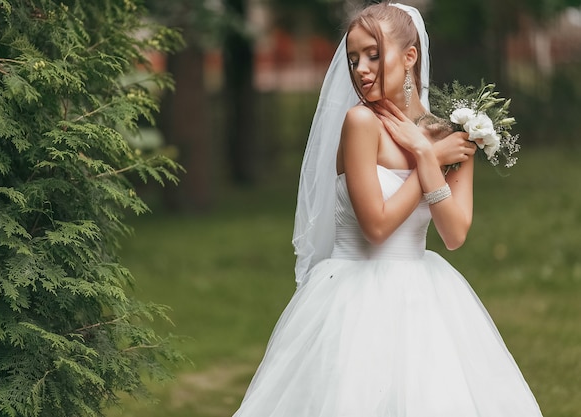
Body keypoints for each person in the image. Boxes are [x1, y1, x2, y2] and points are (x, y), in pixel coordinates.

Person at [232, 2, 544, 416]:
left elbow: (454, 235)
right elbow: (376, 226)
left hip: (424, 298)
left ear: (410, 56)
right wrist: (427, 159)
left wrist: (426, 149)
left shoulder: (451, 134)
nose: (361, 68)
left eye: (374, 55)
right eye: (354, 58)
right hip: (352, 296)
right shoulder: (361, 124)